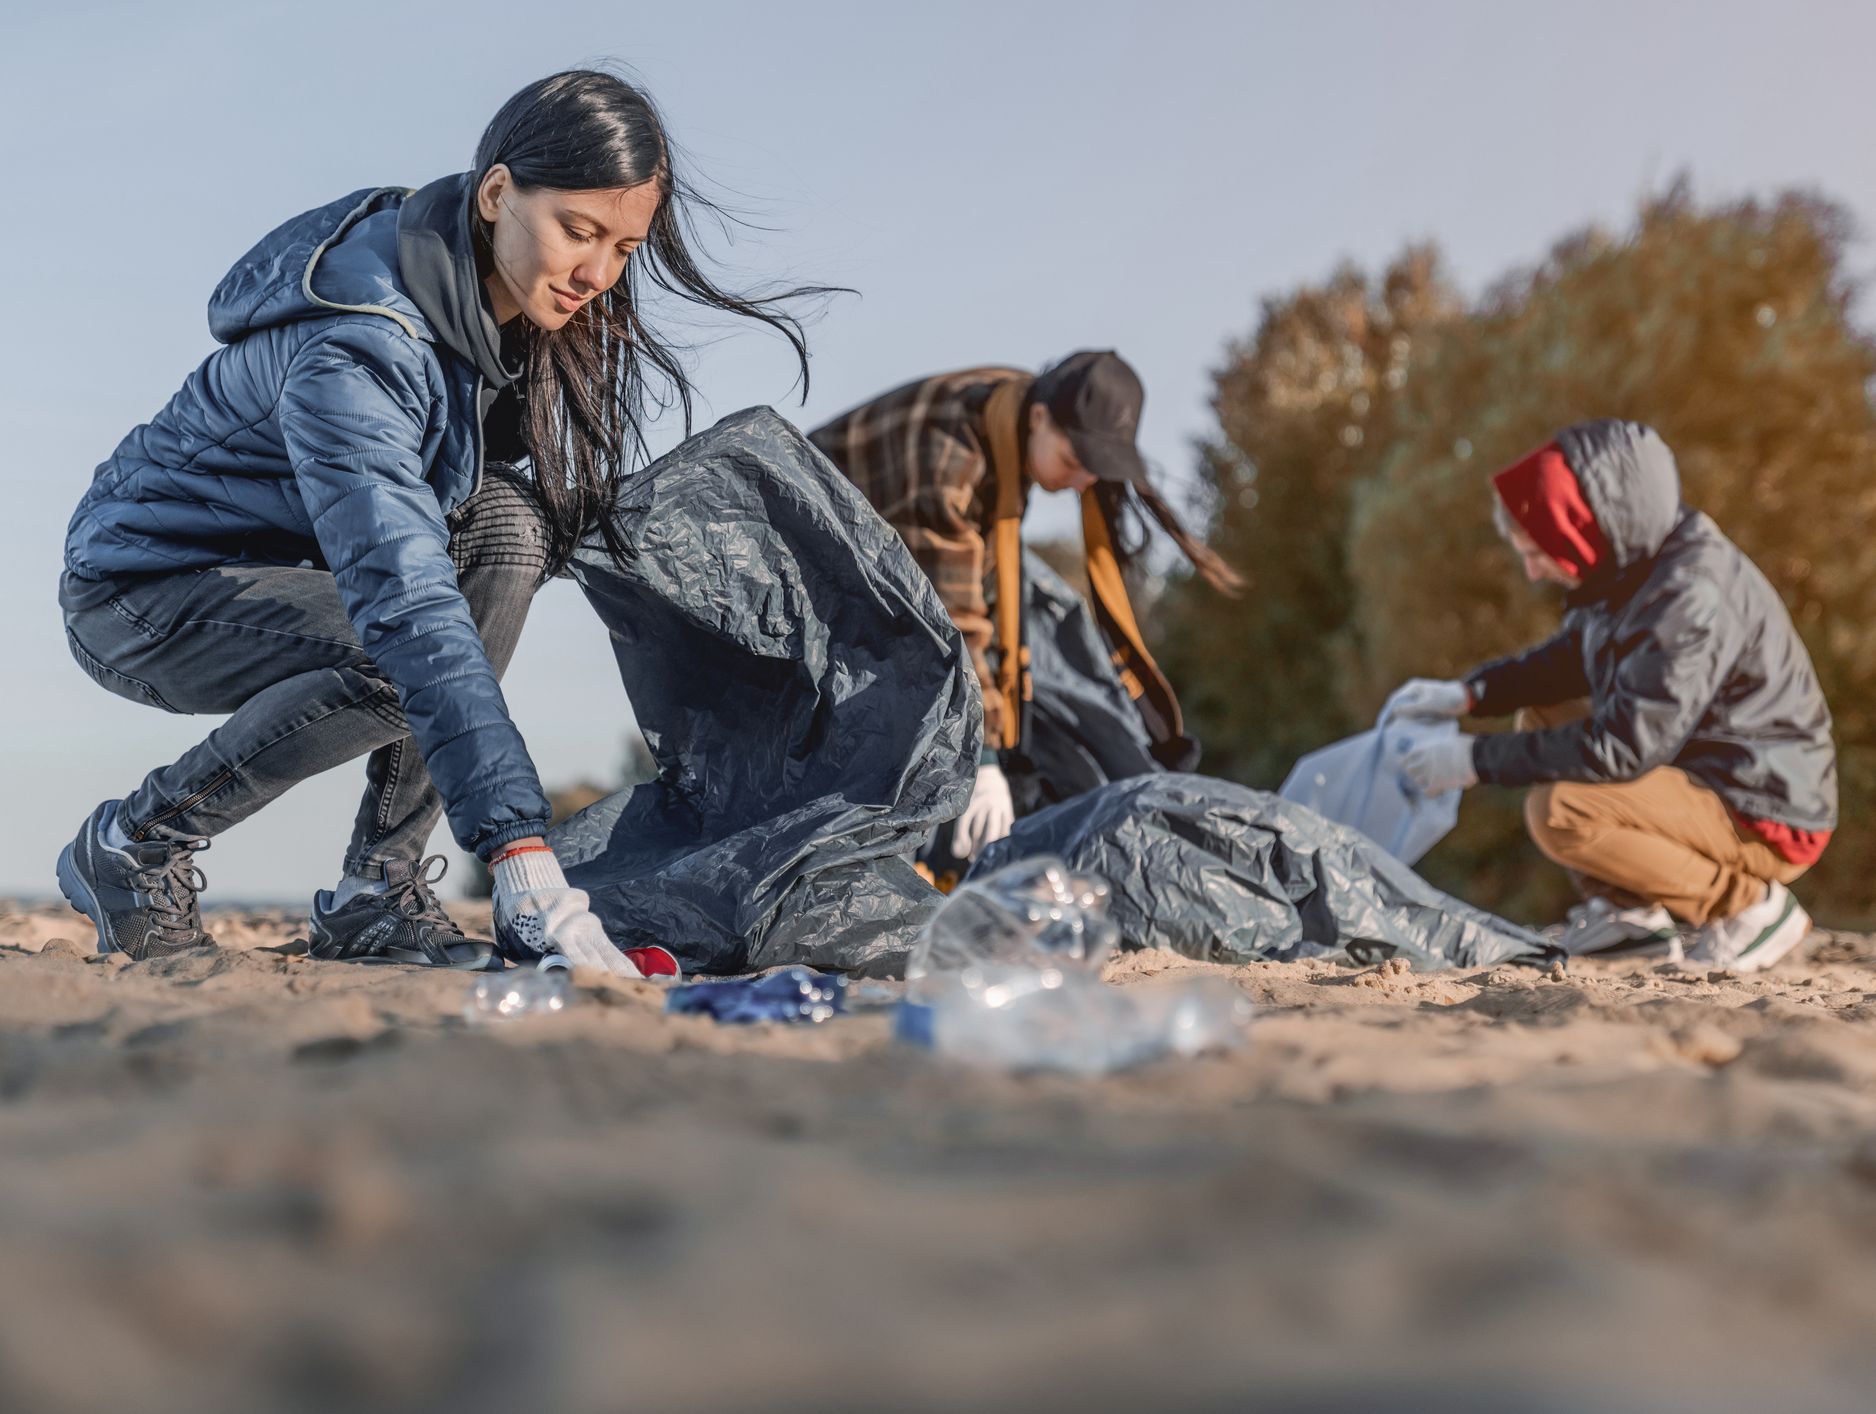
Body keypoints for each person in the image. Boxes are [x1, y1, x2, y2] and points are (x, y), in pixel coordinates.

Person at [55, 70, 822, 970]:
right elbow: (406, 601)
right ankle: (136, 843)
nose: (597, 274)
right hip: (142, 592)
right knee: (404, 648)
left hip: (295, 572)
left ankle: (377, 889)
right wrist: (517, 846)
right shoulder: (361, 349)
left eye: (623, 247)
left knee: (509, 525)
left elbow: (470, 539)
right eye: (578, 232)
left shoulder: (490, 321)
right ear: (498, 193)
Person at [1387, 420, 1837, 972]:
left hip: (1765, 806)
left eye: (1538, 551)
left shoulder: (1689, 591)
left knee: (1560, 811)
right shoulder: (1631, 565)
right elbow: (1571, 660)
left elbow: (1622, 747)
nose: (1532, 571)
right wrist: (1470, 694)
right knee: (1539, 713)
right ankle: (1631, 917)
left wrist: (1473, 760)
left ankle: (1749, 907)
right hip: (1708, 775)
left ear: (1584, 528)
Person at [809, 352, 1242, 862]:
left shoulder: (1015, 405)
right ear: (1041, 419)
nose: (1083, 483)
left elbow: (982, 585)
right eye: (1076, 462)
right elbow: (949, 624)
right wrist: (983, 761)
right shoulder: (952, 462)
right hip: (805, 579)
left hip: (878, 575)